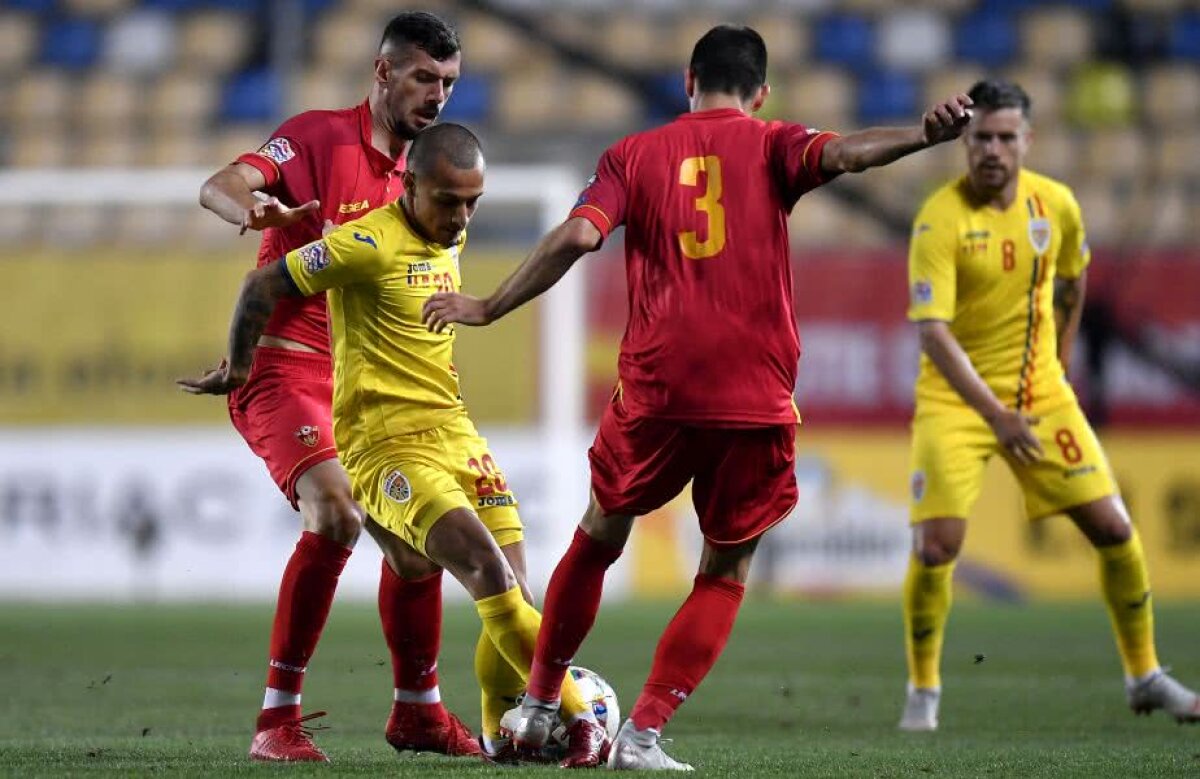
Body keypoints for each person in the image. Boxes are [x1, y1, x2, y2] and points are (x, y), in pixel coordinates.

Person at [420, 25, 972, 770]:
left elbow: (579, 237)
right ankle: (642, 734)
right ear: (761, 93)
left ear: (689, 80)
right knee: (724, 570)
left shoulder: (633, 155)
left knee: (600, 531)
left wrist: (488, 305)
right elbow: (847, 153)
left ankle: (541, 702)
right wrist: (921, 136)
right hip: (754, 393)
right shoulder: (776, 144)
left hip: (658, 387)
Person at [182, 123, 610, 768]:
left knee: (515, 593)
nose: (461, 217)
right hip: (387, 445)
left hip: (454, 432)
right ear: (409, 185)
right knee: (482, 571)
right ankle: (579, 718)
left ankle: (497, 730)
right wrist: (241, 366)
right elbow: (259, 283)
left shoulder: (450, 232)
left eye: (472, 203)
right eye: (449, 201)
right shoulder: (366, 241)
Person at [188, 11, 479, 762]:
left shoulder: (431, 177)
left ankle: (418, 712)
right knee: (338, 509)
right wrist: (254, 209)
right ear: (383, 72)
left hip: (363, 387)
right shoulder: (319, 137)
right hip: (282, 366)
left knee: (416, 543)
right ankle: (275, 721)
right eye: (424, 77)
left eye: (449, 82)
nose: (437, 95)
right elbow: (220, 184)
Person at [896, 79, 1200, 732]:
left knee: (1114, 529)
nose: (993, 149)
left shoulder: (1055, 204)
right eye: (982, 137)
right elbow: (934, 335)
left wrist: (1057, 361)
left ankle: (1144, 675)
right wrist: (995, 415)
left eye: (1006, 137)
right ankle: (923, 690)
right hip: (955, 402)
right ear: (965, 143)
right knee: (937, 546)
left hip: (1040, 396)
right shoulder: (939, 219)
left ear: (1027, 141)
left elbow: (1073, 278)